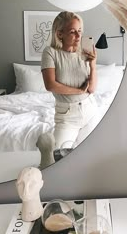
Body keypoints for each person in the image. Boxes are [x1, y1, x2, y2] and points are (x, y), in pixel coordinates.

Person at [41, 11, 97, 150]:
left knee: (93, 153)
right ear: (60, 34)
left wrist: (93, 65)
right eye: (73, 32)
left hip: (90, 109)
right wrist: (78, 91)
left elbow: (91, 89)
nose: (78, 36)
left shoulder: (84, 52)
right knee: (57, 156)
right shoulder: (50, 52)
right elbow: (50, 85)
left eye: (79, 31)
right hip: (67, 116)